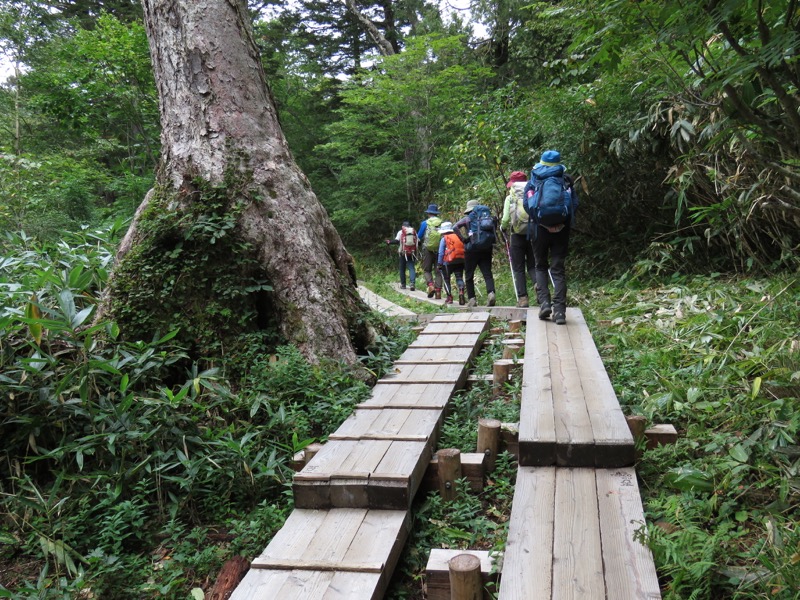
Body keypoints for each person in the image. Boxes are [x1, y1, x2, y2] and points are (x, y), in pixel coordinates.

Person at [524, 150, 579, 325]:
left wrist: (540, 219)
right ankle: (560, 312)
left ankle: (545, 303)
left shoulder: (534, 179)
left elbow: (527, 205)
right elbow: (574, 204)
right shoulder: (566, 179)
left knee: (540, 266)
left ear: (541, 163)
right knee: (558, 269)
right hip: (561, 230)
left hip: (539, 229)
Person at [501, 170, 535, 308]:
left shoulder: (511, 197)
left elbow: (505, 219)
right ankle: (539, 288)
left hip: (517, 235)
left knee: (519, 268)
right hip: (533, 233)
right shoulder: (532, 192)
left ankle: (523, 299)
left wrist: (502, 228)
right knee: (533, 265)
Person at [453, 199, 496, 307]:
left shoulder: (467, 219)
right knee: (487, 273)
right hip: (486, 247)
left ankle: (472, 299)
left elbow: (455, 227)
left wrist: (463, 239)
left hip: (471, 249)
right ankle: (491, 293)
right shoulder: (486, 217)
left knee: (469, 275)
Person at [416, 203, 444, 299]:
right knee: (438, 271)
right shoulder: (441, 223)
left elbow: (418, 237)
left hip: (427, 249)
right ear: (436, 213)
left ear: (428, 213)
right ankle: (438, 292)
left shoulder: (425, 223)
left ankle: (431, 285)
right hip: (440, 249)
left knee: (427, 270)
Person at [436, 221, 466, 305]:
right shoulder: (458, 236)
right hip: (460, 260)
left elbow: (441, 252)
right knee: (459, 277)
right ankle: (461, 291)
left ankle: (449, 297)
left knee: (446, 279)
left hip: (448, 262)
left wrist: (439, 263)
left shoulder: (444, 238)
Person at [385, 221, 418, 290]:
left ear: (403, 226)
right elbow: (418, 242)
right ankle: (412, 284)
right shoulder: (413, 231)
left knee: (402, 269)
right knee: (411, 268)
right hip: (412, 252)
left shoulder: (401, 232)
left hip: (403, 252)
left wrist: (389, 242)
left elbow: (396, 241)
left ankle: (403, 285)